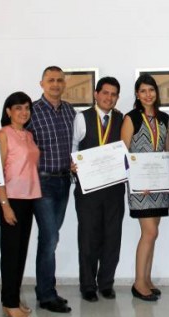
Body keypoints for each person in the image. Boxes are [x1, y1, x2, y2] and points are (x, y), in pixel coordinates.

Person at [71, 76, 125, 303]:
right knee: (89, 237)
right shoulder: (81, 118)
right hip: (88, 190)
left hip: (114, 189)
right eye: (105, 93)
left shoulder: (122, 119)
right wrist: (72, 166)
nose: (109, 98)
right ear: (96, 94)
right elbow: (73, 146)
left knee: (112, 237)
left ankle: (106, 283)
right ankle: (88, 285)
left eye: (113, 94)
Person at [28, 66, 75, 313]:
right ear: (42, 83)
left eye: (59, 80)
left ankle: (46, 290)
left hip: (64, 181)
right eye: (51, 80)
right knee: (50, 238)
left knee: (50, 237)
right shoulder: (32, 111)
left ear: (64, 84)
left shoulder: (70, 111)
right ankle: (47, 294)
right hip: (42, 183)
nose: (55, 84)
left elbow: (75, 144)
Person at [120, 74, 169, 302]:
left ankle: (147, 279)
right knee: (149, 232)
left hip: (158, 185)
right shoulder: (131, 118)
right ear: (137, 95)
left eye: (151, 90)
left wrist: (163, 180)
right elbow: (124, 153)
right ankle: (138, 282)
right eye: (143, 91)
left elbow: (166, 152)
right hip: (141, 187)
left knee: (154, 233)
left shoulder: (164, 118)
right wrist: (140, 180)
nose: (148, 95)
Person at [0, 92, 41, 317]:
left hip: (29, 198)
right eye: (18, 108)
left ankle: (13, 297)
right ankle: (9, 301)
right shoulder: (3, 134)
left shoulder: (29, 135)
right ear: (8, 111)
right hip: (10, 199)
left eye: (27, 108)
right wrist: (5, 205)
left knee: (21, 252)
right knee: (11, 252)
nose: (23, 112)